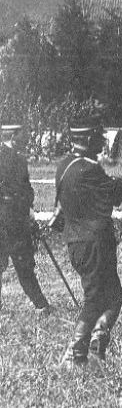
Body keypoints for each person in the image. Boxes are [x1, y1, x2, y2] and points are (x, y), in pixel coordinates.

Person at [55, 115, 122, 365]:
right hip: (95, 243)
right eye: (99, 137)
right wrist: (120, 183)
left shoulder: (64, 164)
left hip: (75, 242)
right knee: (98, 298)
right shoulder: (89, 169)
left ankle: (97, 342)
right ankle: (75, 352)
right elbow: (119, 191)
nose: (102, 141)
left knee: (112, 294)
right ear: (88, 139)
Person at [0, 110, 50, 312]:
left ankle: (41, 304)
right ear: (13, 135)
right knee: (17, 263)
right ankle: (40, 304)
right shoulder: (11, 158)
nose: (27, 138)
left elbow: (27, 189)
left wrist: (28, 207)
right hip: (8, 219)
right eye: (23, 134)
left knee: (23, 264)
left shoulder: (20, 159)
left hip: (17, 218)